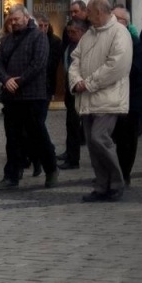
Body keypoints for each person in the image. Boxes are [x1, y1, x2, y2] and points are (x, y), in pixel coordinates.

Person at [68, 0, 133, 201]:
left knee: (99, 138)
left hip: (108, 99)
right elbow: (75, 59)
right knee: (93, 144)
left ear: (99, 12)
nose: (86, 15)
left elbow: (117, 66)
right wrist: (76, 81)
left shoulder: (119, 33)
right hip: (87, 99)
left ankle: (116, 182)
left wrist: (88, 83)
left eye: (88, 11)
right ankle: (101, 185)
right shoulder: (90, 35)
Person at [0, 4, 57, 191]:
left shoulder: (39, 37)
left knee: (38, 136)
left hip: (32, 96)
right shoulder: (7, 40)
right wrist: (6, 80)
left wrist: (18, 81)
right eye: (11, 20)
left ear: (26, 18)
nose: (13, 22)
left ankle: (51, 169)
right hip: (11, 98)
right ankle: (11, 175)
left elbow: (38, 64)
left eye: (16, 19)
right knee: (12, 138)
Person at [112, 6, 142, 185]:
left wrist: (113, 72)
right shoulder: (108, 39)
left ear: (125, 22)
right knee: (114, 136)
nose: (112, 20)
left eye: (116, 17)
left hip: (132, 97)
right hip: (113, 97)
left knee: (127, 138)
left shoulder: (135, 42)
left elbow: (135, 70)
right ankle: (113, 171)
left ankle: (124, 173)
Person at [61, 16, 88, 169]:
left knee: (76, 125)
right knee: (70, 124)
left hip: (80, 90)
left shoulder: (84, 47)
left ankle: (73, 158)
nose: (70, 35)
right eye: (68, 32)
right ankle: (70, 154)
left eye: (73, 32)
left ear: (82, 32)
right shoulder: (70, 45)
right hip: (70, 91)